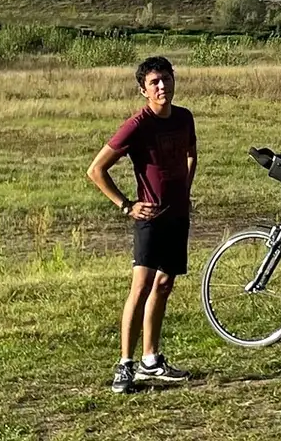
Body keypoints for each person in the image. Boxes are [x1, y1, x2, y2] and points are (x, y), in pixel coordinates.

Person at [88, 55, 197, 393]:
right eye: (154, 82)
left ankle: (151, 360)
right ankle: (125, 365)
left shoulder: (183, 118)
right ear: (143, 90)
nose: (162, 86)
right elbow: (96, 170)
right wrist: (126, 205)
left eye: (166, 79)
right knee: (141, 287)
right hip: (149, 218)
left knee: (164, 285)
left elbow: (192, 155)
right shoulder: (138, 124)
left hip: (178, 216)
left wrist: (184, 190)